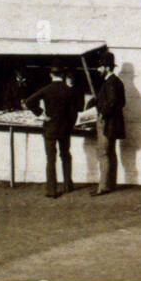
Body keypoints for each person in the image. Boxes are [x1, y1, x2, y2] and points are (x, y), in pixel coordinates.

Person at [27, 62, 81, 198]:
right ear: (63, 75)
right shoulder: (70, 90)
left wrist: (41, 114)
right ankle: (68, 185)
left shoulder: (46, 89)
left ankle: (51, 190)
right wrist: (70, 125)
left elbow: (29, 102)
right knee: (66, 156)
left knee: (51, 160)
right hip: (65, 129)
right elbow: (74, 112)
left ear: (51, 74)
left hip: (50, 128)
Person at [91, 52, 126, 196]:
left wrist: (102, 114)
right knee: (110, 153)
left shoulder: (110, 82)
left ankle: (103, 186)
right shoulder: (116, 81)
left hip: (106, 123)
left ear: (106, 67)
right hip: (113, 123)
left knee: (103, 153)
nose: (98, 69)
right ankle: (110, 184)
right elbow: (121, 102)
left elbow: (112, 102)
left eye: (100, 67)